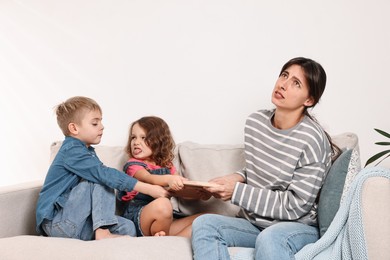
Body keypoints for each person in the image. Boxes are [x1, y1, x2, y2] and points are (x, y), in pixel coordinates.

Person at [191, 57, 341, 259]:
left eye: (296, 83)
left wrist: (236, 192)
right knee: (204, 224)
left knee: (270, 238)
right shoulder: (255, 123)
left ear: (309, 100)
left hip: (296, 227)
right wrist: (236, 178)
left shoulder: (311, 138)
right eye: (284, 75)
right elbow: (260, 171)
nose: (283, 84)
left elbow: (295, 205)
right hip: (254, 223)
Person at [35, 96, 169, 241]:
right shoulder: (71, 150)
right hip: (58, 223)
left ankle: (103, 233)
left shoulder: (88, 152)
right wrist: (148, 188)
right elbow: (104, 174)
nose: (102, 126)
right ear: (74, 128)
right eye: (95, 123)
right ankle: (102, 231)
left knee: (128, 227)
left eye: (101, 121)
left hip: (78, 224)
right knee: (103, 178)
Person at [120, 116, 207, 237]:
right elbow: (149, 178)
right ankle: (162, 239)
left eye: (143, 138)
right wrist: (170, 179)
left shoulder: (167, 166)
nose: (136, 142)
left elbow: (180, 191)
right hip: (139, 218)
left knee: (205, 219)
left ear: (158, 141)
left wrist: (201, 194)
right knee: (164, 204)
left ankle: (170, 241)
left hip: (165, 220)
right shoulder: (133, 165)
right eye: (133, 137)